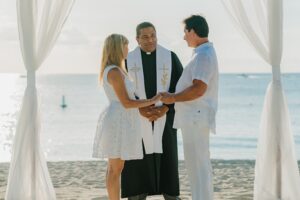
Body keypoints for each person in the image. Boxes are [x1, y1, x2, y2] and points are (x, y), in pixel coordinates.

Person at [92, 34, 161, 200]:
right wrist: (152, 100)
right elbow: (127, 102)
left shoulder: (116, 70)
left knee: (116, 167)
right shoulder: (114, 71)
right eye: (126, 45)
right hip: (118, 121)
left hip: (121, 119)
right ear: (117, 48)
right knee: (115, 168)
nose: (128, 49)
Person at [121, 22, 183, 200]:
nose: (150, 40)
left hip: (165, 117)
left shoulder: (170, 57)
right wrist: (139, 110)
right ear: (137, 39)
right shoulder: (127, 61)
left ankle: (171, 195)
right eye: (145, 37)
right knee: (137, 158)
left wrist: (165, 108)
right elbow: (122, 92)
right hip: (137, 118)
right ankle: (137, 194)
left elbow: (180, 87)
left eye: (153, 35)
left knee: (168, 157)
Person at [161, 15, 219, 200]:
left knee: (198, 166)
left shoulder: (204, 55)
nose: (184, 37)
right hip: (194, 118)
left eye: (185, 32)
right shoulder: (202, 53)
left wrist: (173, 98)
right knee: (196, 166)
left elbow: (199, 89)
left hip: (196, 117)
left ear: (192, 31)